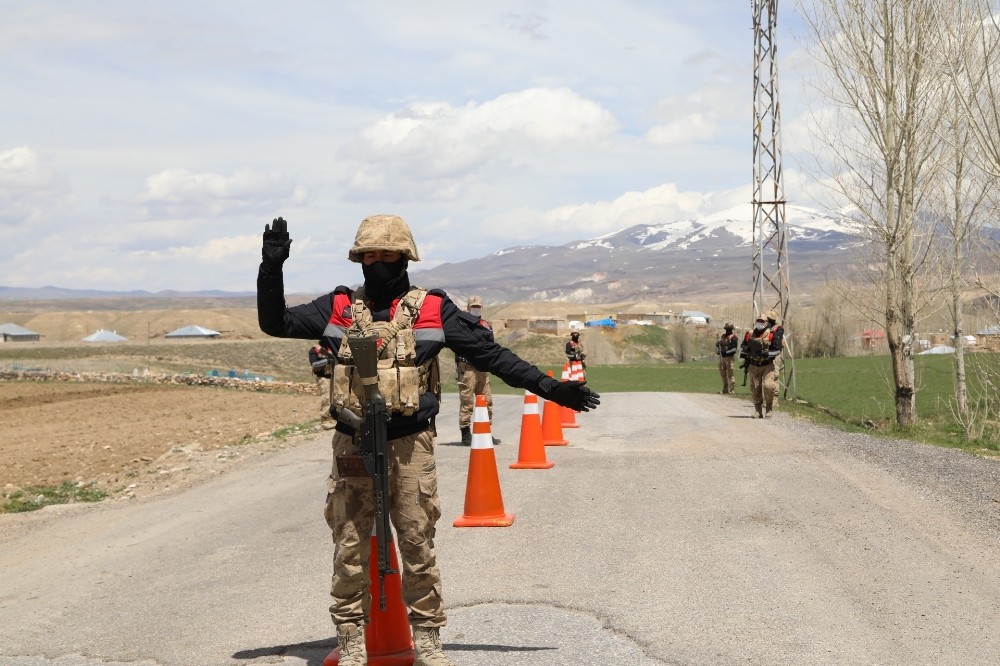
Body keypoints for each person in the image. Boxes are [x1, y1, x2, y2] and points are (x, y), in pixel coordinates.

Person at [256, 214, 600, 666]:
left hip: (409, 446)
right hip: (354, 444)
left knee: (417, 544)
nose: (378, 262)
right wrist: (272, 267)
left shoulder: (433, 310)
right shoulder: (338, 307)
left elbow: (491, 355)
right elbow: (275, 322)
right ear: (359, 259)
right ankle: (353, 641)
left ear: (405, 258)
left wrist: (551, 388)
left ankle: (429, 643)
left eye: (388, 254)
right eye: (370, 255)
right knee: (349, 545)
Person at [455, 295, 499, 446]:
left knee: (487, 400)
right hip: (467, 368)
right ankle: (465, 432)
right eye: (473, 306)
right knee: (467, 401)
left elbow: (491, 345)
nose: (476, 309)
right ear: (468, 308)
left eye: (478, 307)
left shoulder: (486, 325)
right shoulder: (461, 324)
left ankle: (486, 431)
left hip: (482, 368)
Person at [740, 310, 784, 418]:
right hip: (754, 366)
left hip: (767, 366)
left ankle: (769, 408)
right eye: (758, 321)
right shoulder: (749, 334)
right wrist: (747, 350)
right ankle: (758, 411)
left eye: (762, 321)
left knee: (769, 386)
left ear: (766, 322)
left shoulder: (772, 334)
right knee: (755, 388)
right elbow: (743, 345)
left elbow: (777, 349)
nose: (759, 323)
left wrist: (768, 353)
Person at [309, 342, 337, 430]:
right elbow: (314, 364)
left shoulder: (331, 348)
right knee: (326, 398)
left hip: (333, 377)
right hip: (323, 378)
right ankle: (325, 421)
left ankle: (333, 418)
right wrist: (327, 360)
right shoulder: (314, 350)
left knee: (334, 399)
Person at [716, 323, 739, 394]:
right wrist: (718, 343)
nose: (727, 330)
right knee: (723, 374)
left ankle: (732, 390)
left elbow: (734, 349)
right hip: (722, 358)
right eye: (726, 329)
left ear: (731, 329)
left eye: (729, 329)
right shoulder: (723, 336)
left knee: (730, 374)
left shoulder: (733, 337)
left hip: (729, 358)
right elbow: (719, 345)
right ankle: (725, 389)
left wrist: (726, 352)